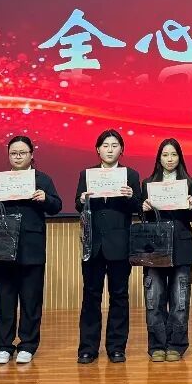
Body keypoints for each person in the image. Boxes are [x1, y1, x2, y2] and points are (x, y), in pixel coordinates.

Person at [0, 136, 62, 365]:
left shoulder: (42, 179)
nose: (17, 157)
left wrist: (45, 198)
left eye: (22, 153)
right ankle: (4, 346)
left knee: (31, 299)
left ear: (31, 155)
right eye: (13, 153)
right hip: (3, 247)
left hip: (31, 247)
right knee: (4, 298)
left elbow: (57, 206)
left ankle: (27, 345)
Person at [75, 129, 141, 364]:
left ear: (121, 149)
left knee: (119, 296)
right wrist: (82, 199)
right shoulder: (87, 174)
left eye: (114, 145)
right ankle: (87, 348)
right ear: (98, 149)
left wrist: (131, 196)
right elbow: (78, 204)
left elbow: (139, 207)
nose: (110, 149)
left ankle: (116, 347)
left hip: (120, 244)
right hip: (93, 244)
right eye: (105, 145)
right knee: (91, 295)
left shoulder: (130, 175)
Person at [140, 138, 192, 362]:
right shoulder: (148, 183)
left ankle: (176, 344)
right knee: (154, 297)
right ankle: (157, 344)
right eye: (165, 155)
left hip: (181, 245)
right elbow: (144, 218)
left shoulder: (189, 182)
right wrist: (144, 208)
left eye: (173, 155)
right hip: (154, 247)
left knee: (180, 299)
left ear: (179, 158)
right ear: (159, 158)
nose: (169, 159)